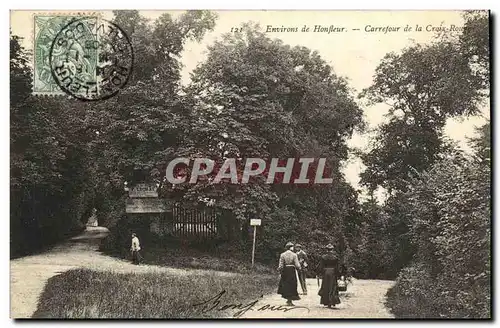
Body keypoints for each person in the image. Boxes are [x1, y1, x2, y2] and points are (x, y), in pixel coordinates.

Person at [317, 243, 341, 308]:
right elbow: (337, 267)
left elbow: (321, 266)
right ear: (332, 249)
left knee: (325, 286)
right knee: (332, 287)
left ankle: (326, 301)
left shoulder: (323, 257)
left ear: (327, 250)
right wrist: (338, 274)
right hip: (332, 273)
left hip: (325, 273)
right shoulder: (335, 257)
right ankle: (332, 301)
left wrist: (319, 273)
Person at [277, 242, 301, 306]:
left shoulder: (282, 254)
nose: (293, 248)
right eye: (292, 246)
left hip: (285, 271)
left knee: (286, 284)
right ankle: (290, 300)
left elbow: (281, 265)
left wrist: (279, 270)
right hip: (292, 270)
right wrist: (299, 268)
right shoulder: (294, 255)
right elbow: (297, 264)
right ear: (290, 247)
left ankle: (288, 299)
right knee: (292, 284)